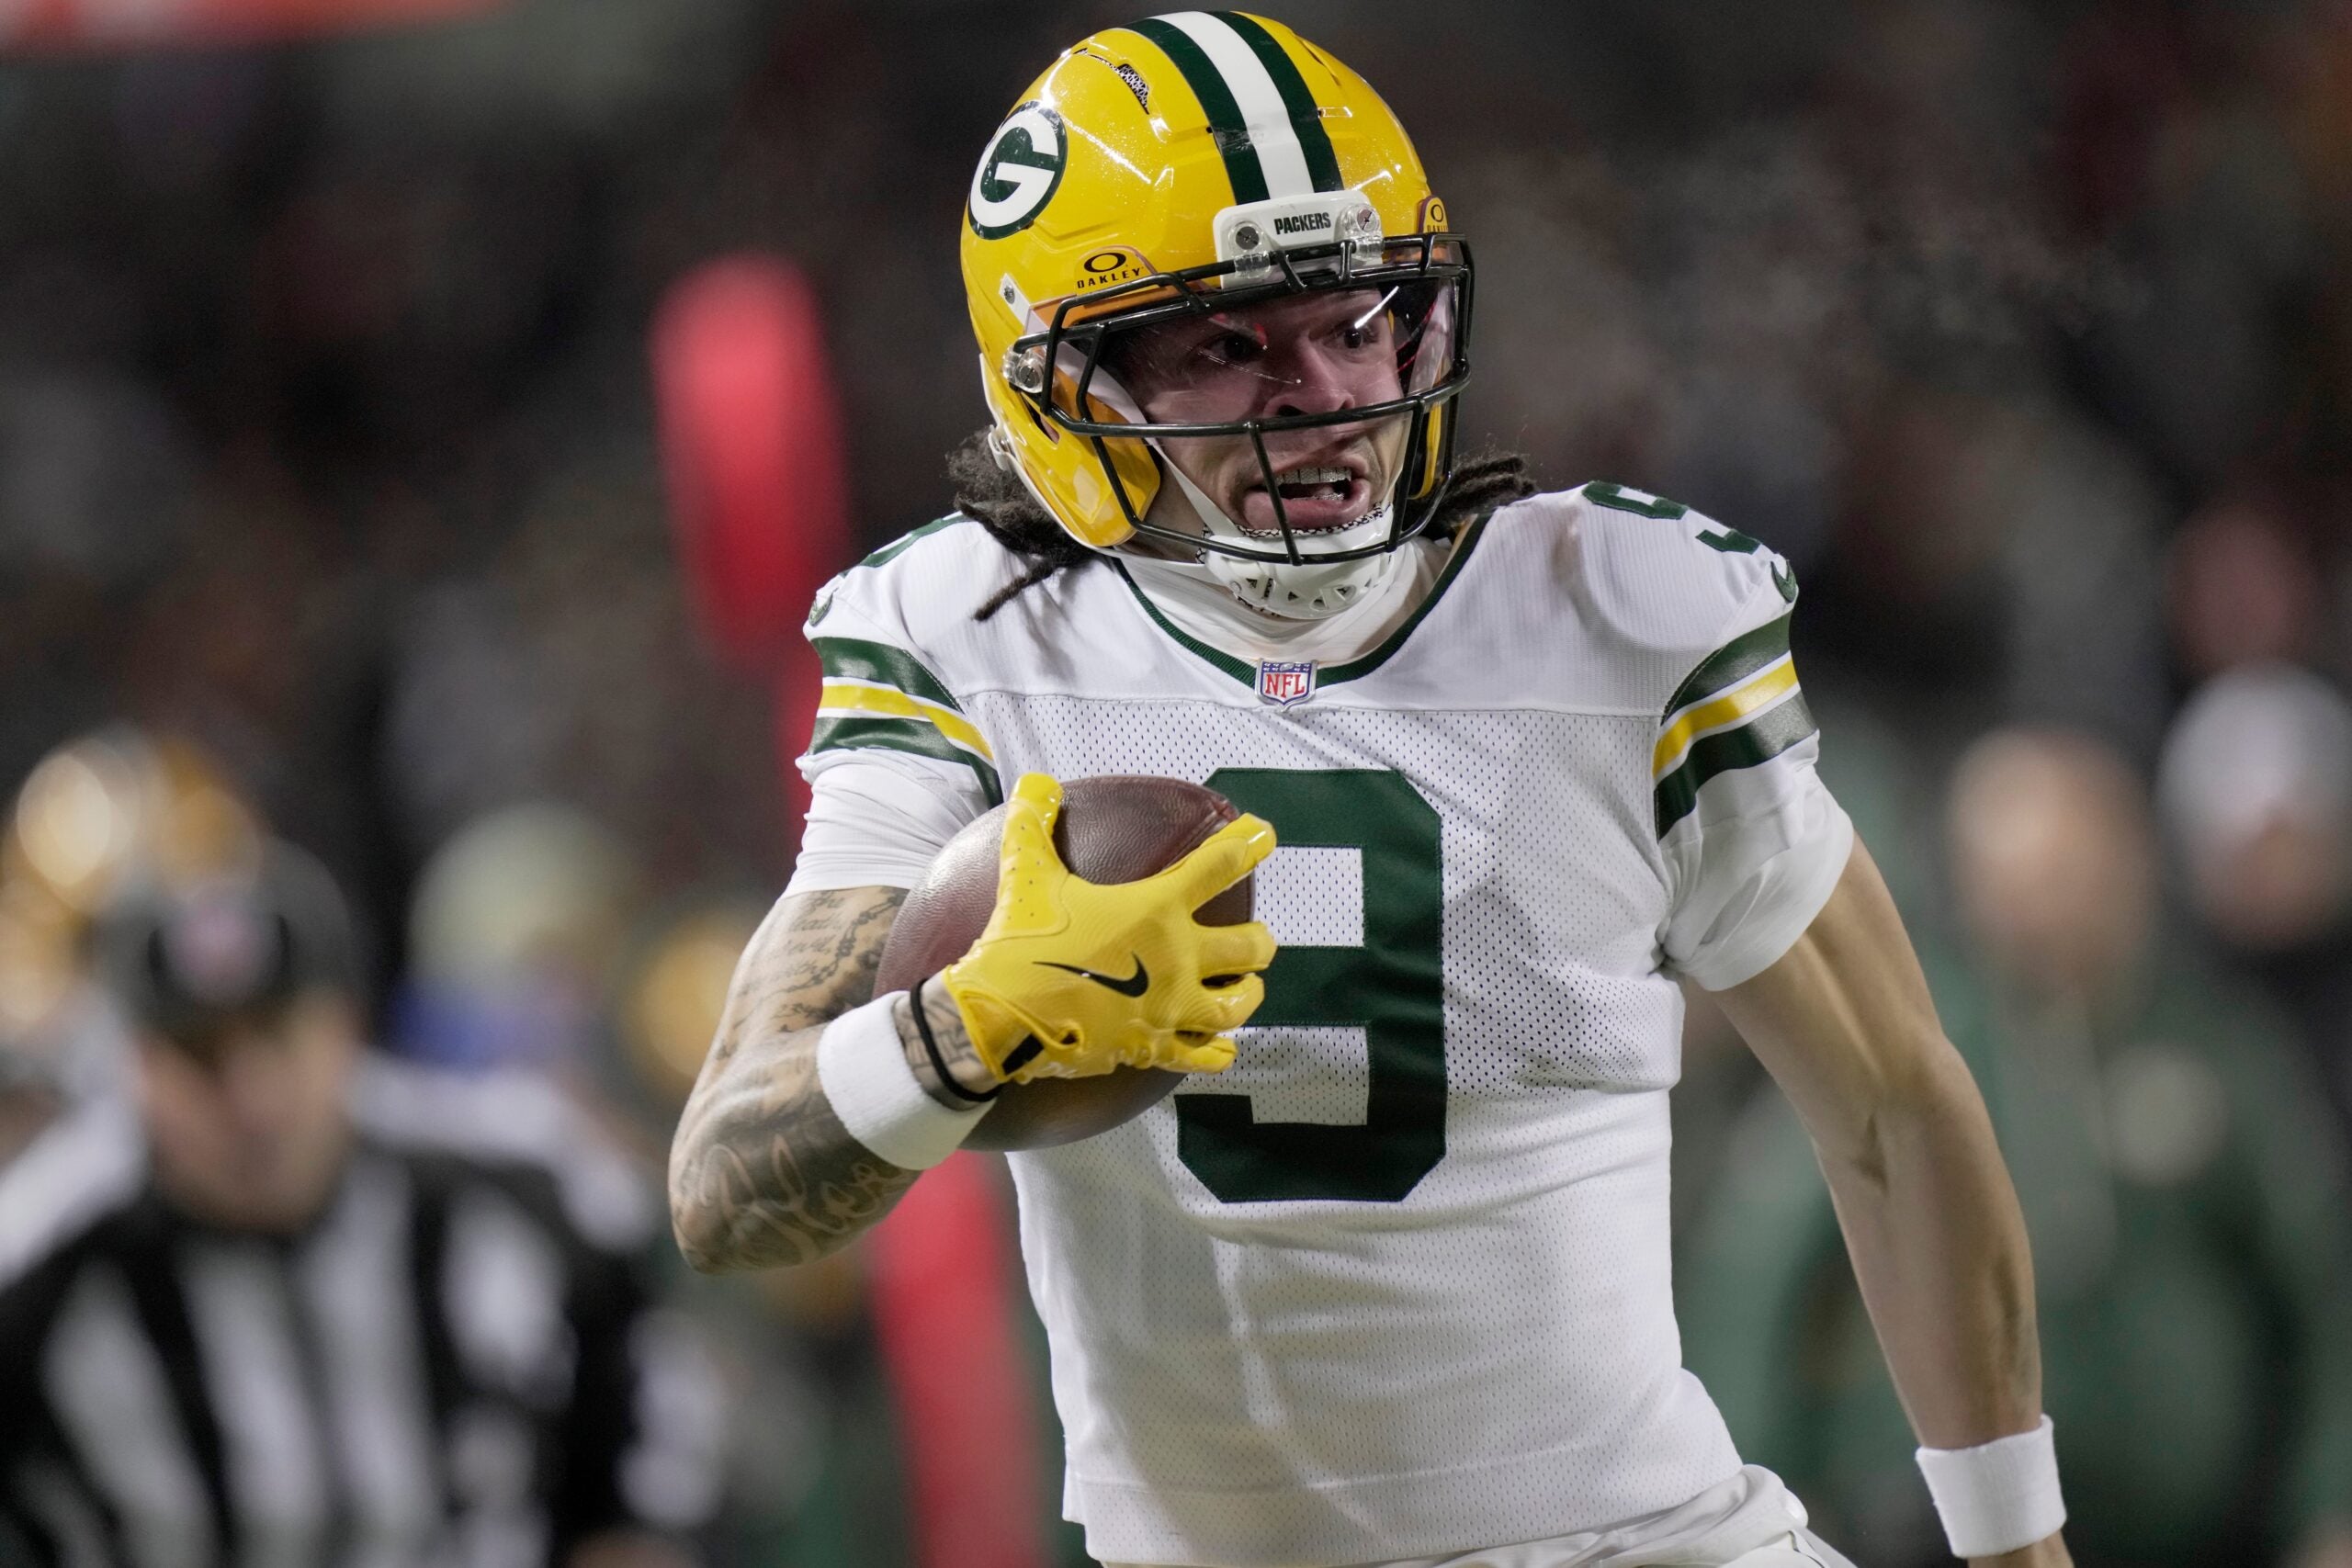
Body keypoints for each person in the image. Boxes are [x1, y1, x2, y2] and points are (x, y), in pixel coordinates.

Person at [668, 15, 2072, 1568]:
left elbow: (1889, 1101)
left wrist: (2017, 1549)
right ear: (1066, 385)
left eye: (1355, 321)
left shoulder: (1613, 619)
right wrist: (959, 1028)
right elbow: (731, 1182)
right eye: (1225, 345)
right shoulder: (972, 639)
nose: (1324, 392)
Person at [1680, 729, 2352, 1567]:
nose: (2042, 901)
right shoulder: (1913, 1051)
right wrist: (1764, 1504)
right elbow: (1759, 1279)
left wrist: (2335, 1500)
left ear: (2131, 861)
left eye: (2069, 866)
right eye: (2017, 872)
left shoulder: (2215, 1045)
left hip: (2197, 1530)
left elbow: (2322, 1282)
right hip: (1933, 1536)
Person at [0, 844, 718, 1568]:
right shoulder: (35, 1262)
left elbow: (636, 1486)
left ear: (345, 1024)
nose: (252, 1098)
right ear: (137, 1066)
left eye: (277, 1033)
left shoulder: (532, 1198)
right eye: (200, 1054)